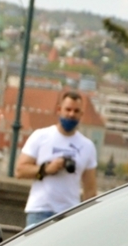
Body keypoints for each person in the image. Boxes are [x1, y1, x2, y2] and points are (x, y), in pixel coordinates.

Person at [16, 92, 99, 229]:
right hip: (40, 210)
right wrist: (46, 169)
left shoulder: (87, 146)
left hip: (69, 212)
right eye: (68, 109)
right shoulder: (41, 136)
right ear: (59, 110)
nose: (71, 114)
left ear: (81, 114)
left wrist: (89, 219)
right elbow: (20, 171)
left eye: (76, 111)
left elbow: (90, 189)